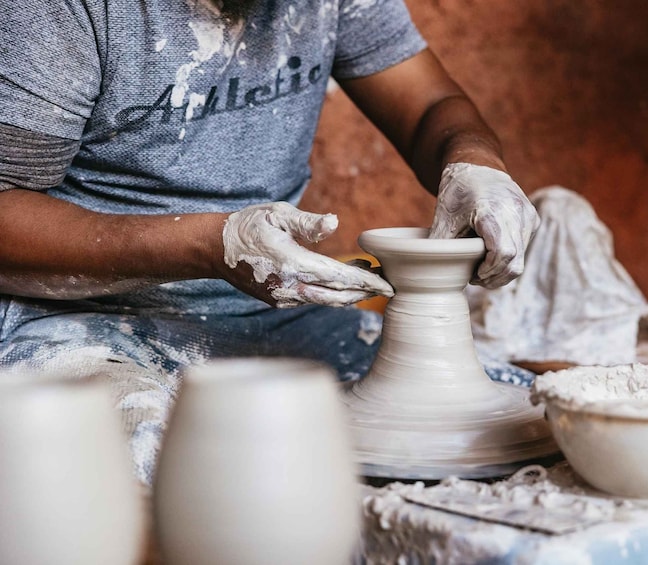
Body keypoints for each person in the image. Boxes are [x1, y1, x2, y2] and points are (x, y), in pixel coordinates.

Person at [0, 0, 540, 486]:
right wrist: (213, 246)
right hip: (80, 324)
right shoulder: (64, 10)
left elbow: (429, 105)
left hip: (281, 316)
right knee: (190, 481)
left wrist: (476, 165)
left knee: (537, 419)